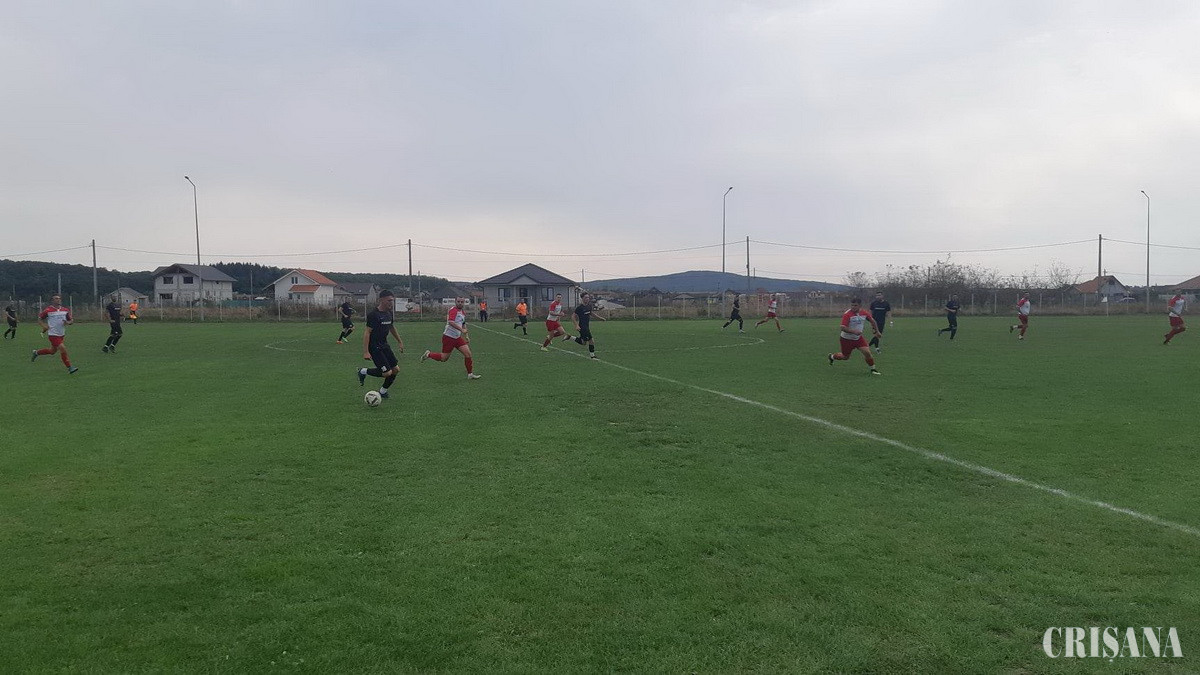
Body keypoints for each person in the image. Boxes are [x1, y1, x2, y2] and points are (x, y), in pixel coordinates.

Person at [356, 290, 405, 400]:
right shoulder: (374, 315)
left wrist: (399, 341)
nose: (391, 303)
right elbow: (367, 332)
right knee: (387, 373)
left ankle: (383, 391)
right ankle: (362, 371)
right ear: (381, 300)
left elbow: (391, 327)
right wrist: (366, 351)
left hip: (384, 344)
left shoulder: (389, 313)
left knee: (396, 370)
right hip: (374, 347)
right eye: (389, 301)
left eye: (392, 301)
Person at [422, 297, 480, 379]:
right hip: (449, 337)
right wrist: (461, 330)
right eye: (458, 301)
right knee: (444, 358)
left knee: (468, 354)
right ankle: (428, 354)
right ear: (455, 302)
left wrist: (466, 336)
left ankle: (470, 374)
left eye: (462, 302)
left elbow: (463, 324)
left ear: (464, 303)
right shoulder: (453, 310)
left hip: (457, 338)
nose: (460, 303)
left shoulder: (462, 312)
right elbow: (451, 322)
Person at [828, 297, 881, 375]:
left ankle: (873, 369)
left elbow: (873, 321)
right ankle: (832, 357)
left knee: (867, 352)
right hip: (846, 339)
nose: (853, 307)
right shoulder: (847, 314)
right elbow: (843, 327)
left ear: (860, 305)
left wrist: (877, 331)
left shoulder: (864, 313)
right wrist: (854, 331)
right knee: (845, 357)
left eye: (855, 305)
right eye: (852, 305)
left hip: (858, 338)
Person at [31, 294, 78, 374]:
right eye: (56, 298)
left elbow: (71, 321)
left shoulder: (65, 310)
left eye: (59, 298)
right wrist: (44, 326)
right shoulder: (48, 310)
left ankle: (36, 352)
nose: (58, 300)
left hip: (61, 334)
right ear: (52, 301)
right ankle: (70, 367)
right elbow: (39, 319)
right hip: (53, 334)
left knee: (52, 351)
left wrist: (68, 322)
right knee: (62, 348)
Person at [572, 292, 607, 359]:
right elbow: (573, 316)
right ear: (582, 298)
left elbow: (592, 313)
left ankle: (570, 337)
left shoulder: (589, 306)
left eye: (588, 297)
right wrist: (576, 325)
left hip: (587, 326)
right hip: (582, 327)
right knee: (591, 340)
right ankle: (592, 356)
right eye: (586, 297)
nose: (587, 299)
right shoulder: (579, 308)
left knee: (583, 342)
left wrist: (600, 318)